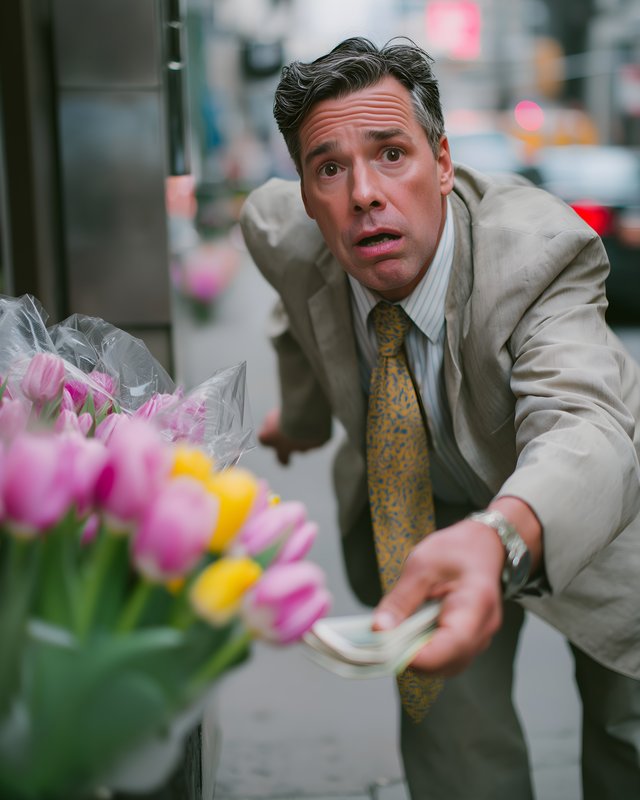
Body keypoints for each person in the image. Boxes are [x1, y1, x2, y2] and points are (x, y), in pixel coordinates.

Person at [239, 36, 640, 800]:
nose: (363, 193)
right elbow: (297, 319)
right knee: (456, 760)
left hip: (597, 504)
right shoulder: (280, 231)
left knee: (628, 739)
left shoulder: (541, 254)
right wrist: (301, 420)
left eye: (392, 153)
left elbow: (585, 424)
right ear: (303, 188)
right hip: (420, 509)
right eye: (330, 168)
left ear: (444, 162)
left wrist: (499, 535)